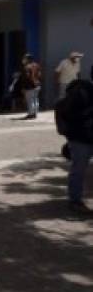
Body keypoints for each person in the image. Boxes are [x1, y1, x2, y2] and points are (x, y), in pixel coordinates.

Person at [59, 67, 93, 214]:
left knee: (78, 169)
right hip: (81, 137)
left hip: (81, 136)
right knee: (78, 169)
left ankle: (75, 200)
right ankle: (75, 201)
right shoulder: (83, 92)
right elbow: (70, 114)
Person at [21, 53, 43, 119]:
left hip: (30, 86)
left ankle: (30, 114)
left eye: (24, 58)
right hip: (37, 85)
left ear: (28, 59)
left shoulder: (27, 67)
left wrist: (24, 87)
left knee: (30, 100)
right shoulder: (36, 65)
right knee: (35, 100)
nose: (23, 60)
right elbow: (39, 75)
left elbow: (27, 77)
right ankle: (35, 113)